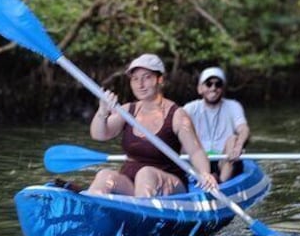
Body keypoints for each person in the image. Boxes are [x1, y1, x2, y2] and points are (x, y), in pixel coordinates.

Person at [87, 54, 219, 197]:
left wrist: (205, 173)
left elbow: (195, 151)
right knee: (104, 175)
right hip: (132, 183)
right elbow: (99, 135)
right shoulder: (127, 110)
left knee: (146, 174)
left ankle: (140, 215)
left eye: (147, 77)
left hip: (169, 183)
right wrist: (102, 111)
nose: (140, 84)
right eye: (135, 79)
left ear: (160, 79)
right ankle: (93, 212)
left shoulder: (177, 115)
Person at [183, 67, 250, 182]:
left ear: (222, 89)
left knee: (233, 139)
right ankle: (200, 178)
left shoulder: (233, 106)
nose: (213, 88)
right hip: (199, 161)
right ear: (200, 89)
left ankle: (222, 183)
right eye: (209, 84)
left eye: (218, 84)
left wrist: (239, 145)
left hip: (225, 160)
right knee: (182, 137)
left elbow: (243, 129)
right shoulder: (190, 108)